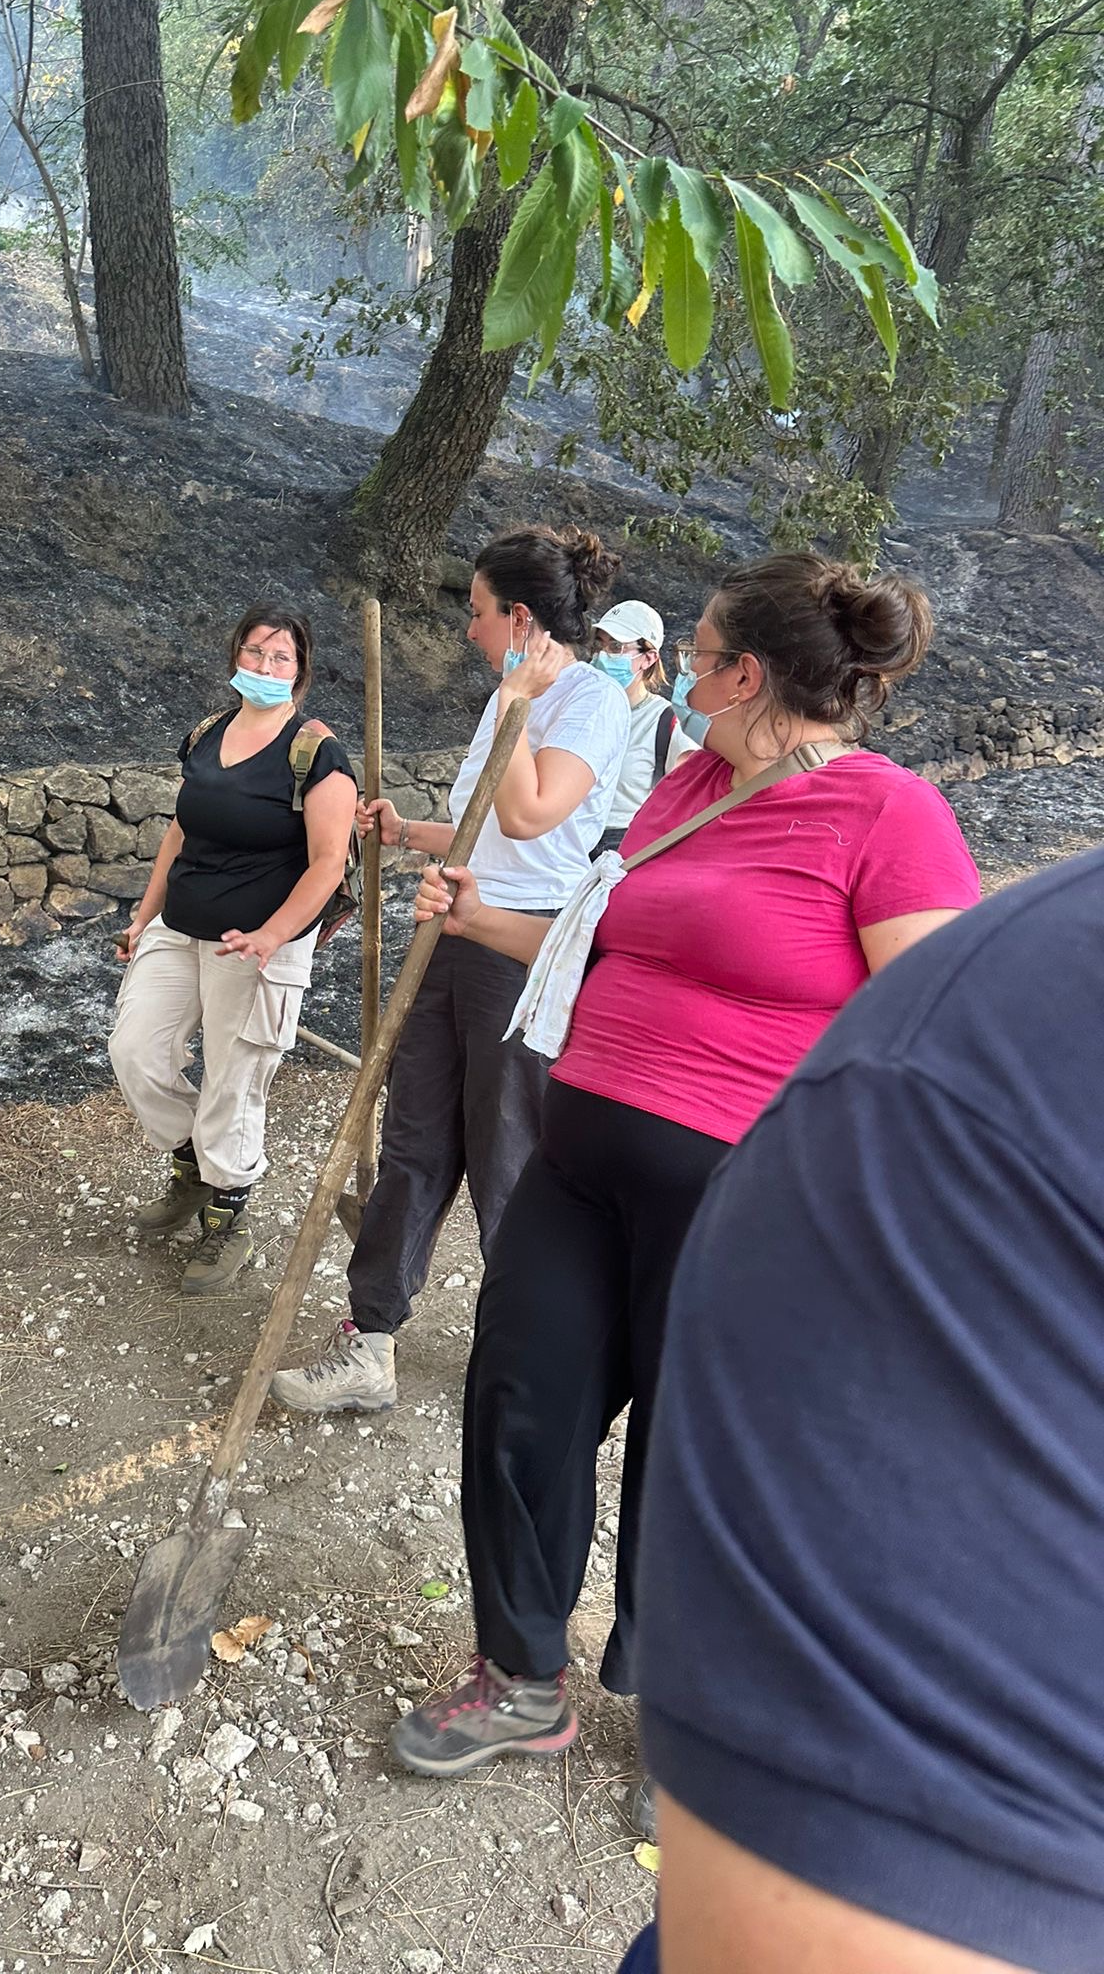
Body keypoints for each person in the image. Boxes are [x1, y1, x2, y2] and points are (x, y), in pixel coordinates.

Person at [386, 549, 982, 1789]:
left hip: (743, 1200)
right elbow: (604, 941)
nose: (665, 674)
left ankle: (692, 1718)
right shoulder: (688, 784)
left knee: (700, 1457)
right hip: (578, 1163)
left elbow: (941, 1041)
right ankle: (521, 1676)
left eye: (695, 655)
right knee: (519, 1397)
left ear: (745, 674)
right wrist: (480, 916)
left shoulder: (889, 815)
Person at [617, 844, 1104, 1974]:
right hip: (620, 1138)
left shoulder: (891, 830)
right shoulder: (965, 1093)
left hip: (729, 1151)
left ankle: (654, 1699)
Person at [270, 524, 631, 1416]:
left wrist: (515, 702)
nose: (469, 629)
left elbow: (534, 816)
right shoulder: (510, 697)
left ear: (519, 619)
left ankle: (527, 1354)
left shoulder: (588, 700)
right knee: (414, 1139)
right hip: (450, 927)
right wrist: (407, 833)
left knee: (509, 1154)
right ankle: (371, 1341)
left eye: (478, 612)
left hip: (518, 946)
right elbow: (486, 828)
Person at [108, 608, 357, 1295]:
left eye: (281, 658)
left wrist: (272, 935)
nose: (265, 667)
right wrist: (144, 915)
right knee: (136, 1051)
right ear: (235, 657)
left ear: (300, 671)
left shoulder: (317, 755)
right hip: (179, 926)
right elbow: (179, 833)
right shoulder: (208, 733)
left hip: (256, 946)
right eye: (254, 653)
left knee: (233, 1078)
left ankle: (227, 1213)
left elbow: (327, 864)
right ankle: (195, 1163)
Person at [590, 598, 701, 855]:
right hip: (568, 843)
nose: (603, 655)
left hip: (621, 849)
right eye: (599, 645)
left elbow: (690, 800)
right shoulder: (582, 709)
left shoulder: (665, 721)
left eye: (615, 647)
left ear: (648, 658)